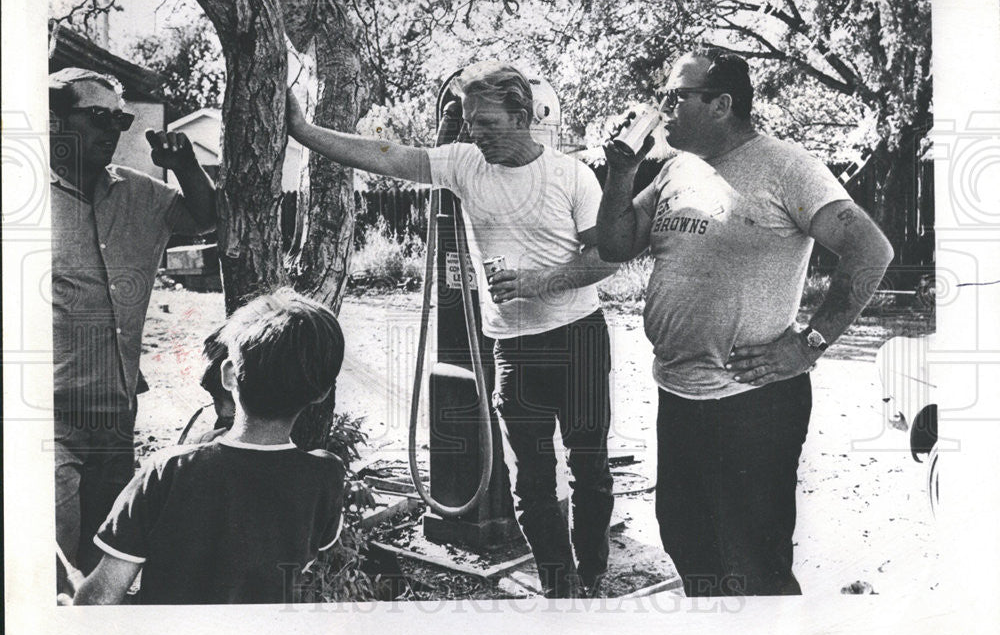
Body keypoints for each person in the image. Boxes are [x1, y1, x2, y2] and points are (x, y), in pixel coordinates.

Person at [286, 62, 618, 597]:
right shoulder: (466, 163)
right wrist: (304, 131)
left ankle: (594, 571)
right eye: (468, 122)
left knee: (590, 466)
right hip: (511, 345)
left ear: (524, 116)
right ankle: (562, 589)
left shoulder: (571, 174)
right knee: (531, 482)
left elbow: (606, 259)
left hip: (577, 334)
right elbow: (387, 156)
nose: (475, 134)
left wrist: (538, 282)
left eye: (487, 123)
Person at [597, 48, 893, 596]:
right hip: (679, 393)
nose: (665, 107)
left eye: (677, 96)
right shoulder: (676, 170)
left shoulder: (787, 167)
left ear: (720, 104)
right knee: (686, 538)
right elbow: (616, 244)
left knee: (753, 561)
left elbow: (871, 251)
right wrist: (621, 172)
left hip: (754, 402)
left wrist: (808, 344)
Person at [73, 289, 347, 605]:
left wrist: (76, 605)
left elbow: (98, 599)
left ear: (229, 375)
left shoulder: (167, 471)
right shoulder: (325, 477)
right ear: (322, 393)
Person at [49, 67, 217, 582]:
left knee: (103, 561)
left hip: (116, 415)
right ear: (55, 121)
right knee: (50, 564)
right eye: (97, 116)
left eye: (119, 120)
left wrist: (185, 164)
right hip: (47, 418)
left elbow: (206, 216)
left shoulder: (139, 196)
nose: (110, 130)